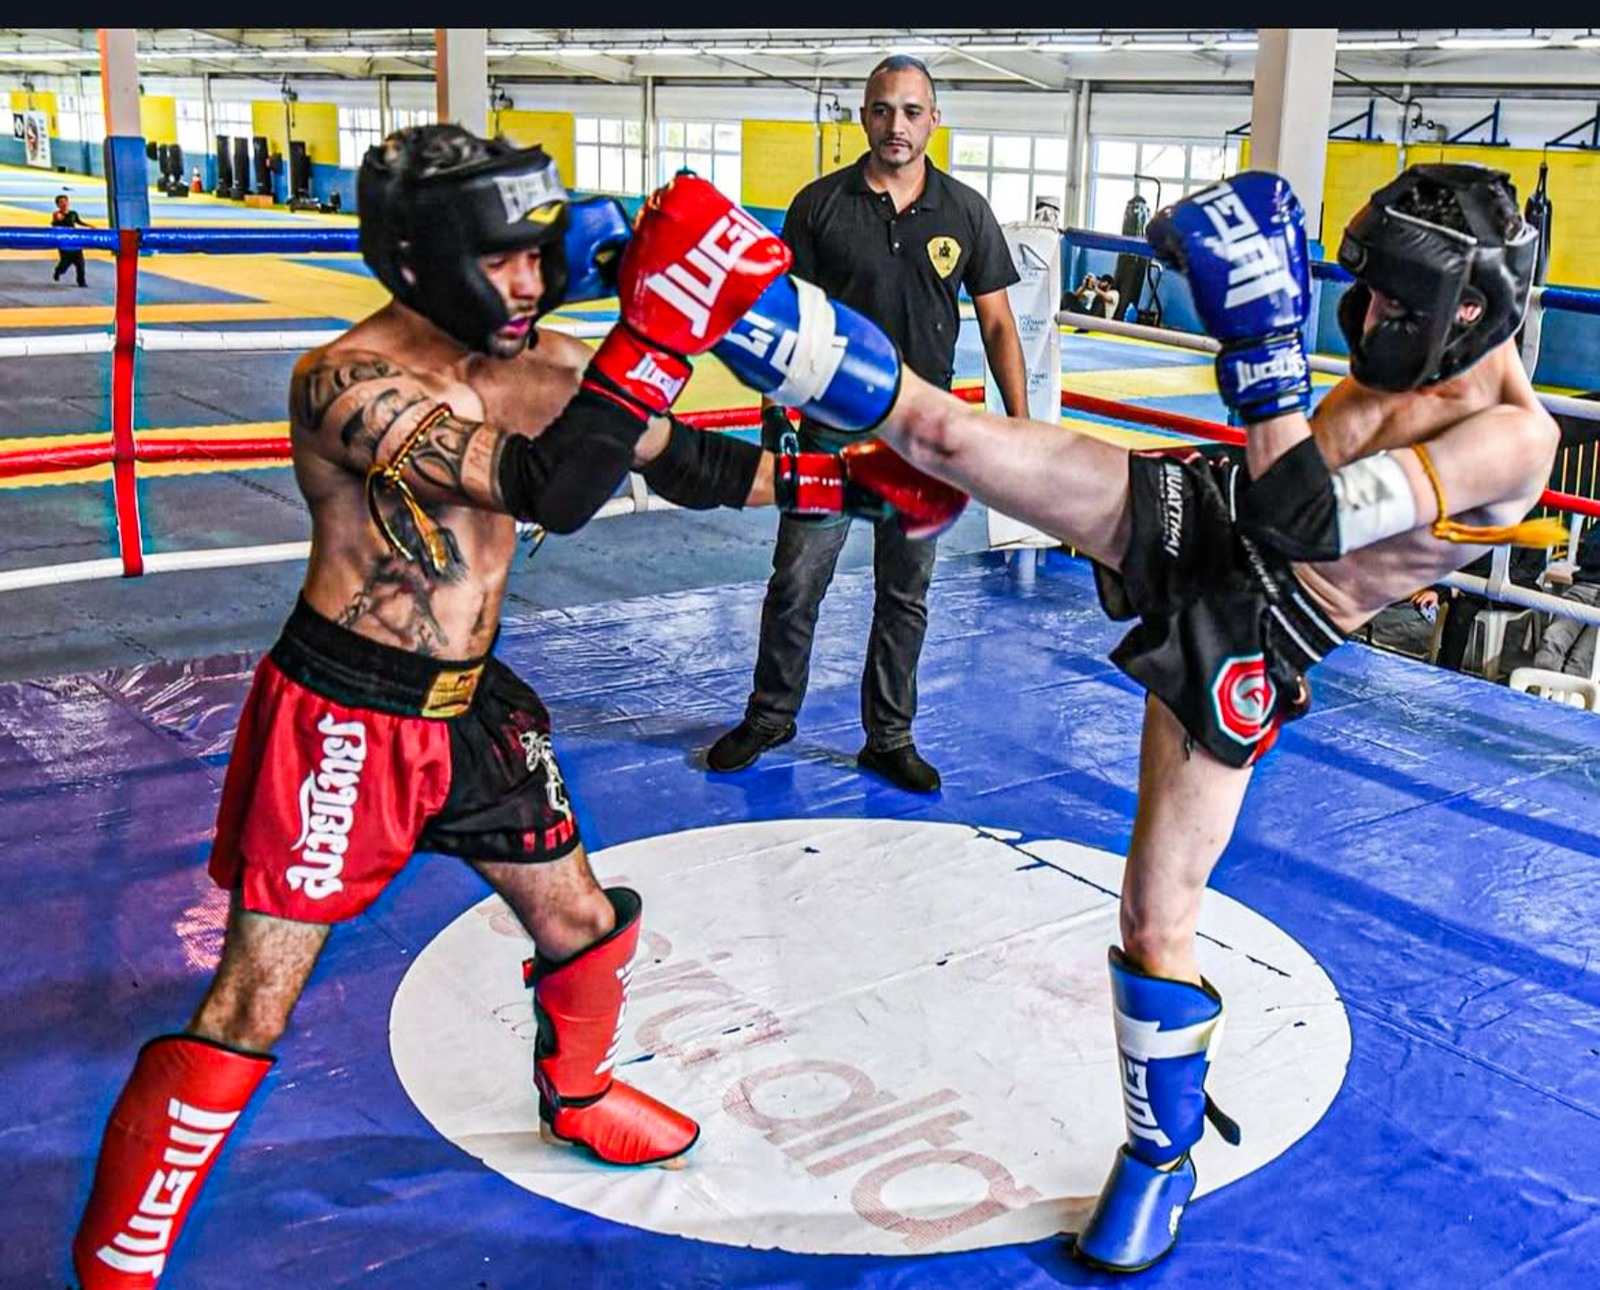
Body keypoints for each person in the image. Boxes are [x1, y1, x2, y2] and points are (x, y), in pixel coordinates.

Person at [66, 122, 962, 1290]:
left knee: (582, 922)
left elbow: (674, 458)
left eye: (538, 253)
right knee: (252, 1003)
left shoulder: (542, 363)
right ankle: (120, 1255)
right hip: (344, 716)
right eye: (500, 261)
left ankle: (578, 1097)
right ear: (422, 260)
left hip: (475, 704)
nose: (531, 282)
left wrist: (847, 484)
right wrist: (652, 334)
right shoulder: (351, 385)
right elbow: (552, 487)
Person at [727, 162, 1561, 1270]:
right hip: (1212, 514)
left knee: (1153, 921)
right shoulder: (1399, 350)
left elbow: (1305, 522)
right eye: (1361, 295)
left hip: (1260, 626)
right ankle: (725, 297)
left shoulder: (1512, 440)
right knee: (949, 438)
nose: (1364, 321)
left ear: (1465, 310)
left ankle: (1159, 1158)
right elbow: (1268, 486)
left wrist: (1260, 344)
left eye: (1391, 305)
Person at [704, 53, 1029, 794]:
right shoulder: (819, 205)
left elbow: (999, 326)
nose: (896, 125)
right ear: (863, 117)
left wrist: (1021, 429)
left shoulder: (966, 211)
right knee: (796, 580)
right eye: (883, 110)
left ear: (934, 120)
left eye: (912, 111)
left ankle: (889, 737)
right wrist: (775, 417)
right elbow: (781, 317)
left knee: (905, 594)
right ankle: (770, 715)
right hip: (829, 431)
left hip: (922, 439)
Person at [1532, 522, 1600, 678]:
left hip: (1587, 583)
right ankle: (1541, 689)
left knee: (1583, 657)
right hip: (1585, 586)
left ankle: (1568, 694)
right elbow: (1583, 554)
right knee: (1552, 638)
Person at [51, 193, 90, 287]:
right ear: (58, 205)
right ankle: (58, 271)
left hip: (74, 242)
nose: (64, 204)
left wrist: (90, 226)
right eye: (61, 202)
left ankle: (81, 282)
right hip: (64, 243)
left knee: (80, 263)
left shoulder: (73, 213)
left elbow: (79, 222)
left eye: (65, 201)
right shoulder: (56, 214)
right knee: (64, 264)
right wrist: (58, 219)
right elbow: (55, 224)